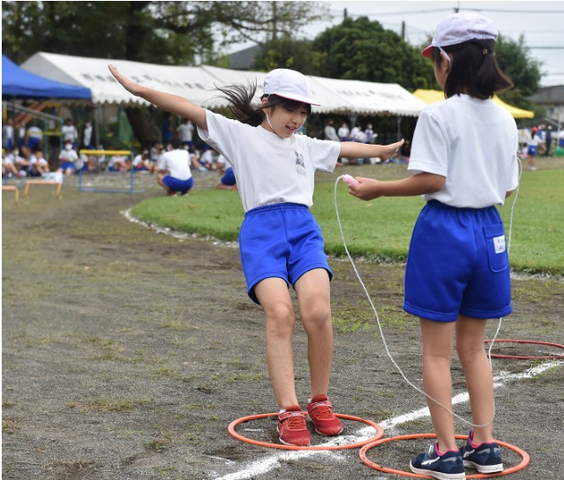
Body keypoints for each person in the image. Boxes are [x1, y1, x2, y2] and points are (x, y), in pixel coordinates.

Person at [108, 64, 403, 446]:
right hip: (261, 234)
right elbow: (186, 107)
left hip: (303, 230)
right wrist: (138, 89)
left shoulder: (306, 145)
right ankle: (289, 410)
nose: (296, 119)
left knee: (318, 311)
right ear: (267, 104)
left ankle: (319, 401)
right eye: (289, 110)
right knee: (280, 313)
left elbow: (346, 148)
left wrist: (382, 150)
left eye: (303, 112)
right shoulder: (238, 136)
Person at [348, 12, 516, 479]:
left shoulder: (438, 114)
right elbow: (504, 188)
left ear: (445, 60)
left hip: (445, 232)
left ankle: (445, 454)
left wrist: (377, 188)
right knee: (475, 349)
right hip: (490, 232)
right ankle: (484, 445)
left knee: (437, 352)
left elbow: (432, 179)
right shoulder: (504, 120)